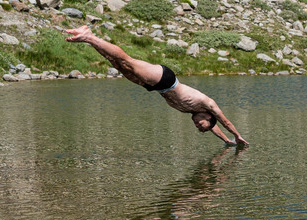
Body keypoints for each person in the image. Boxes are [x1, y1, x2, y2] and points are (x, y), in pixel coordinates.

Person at [65, 25, 249, 147]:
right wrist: (237, 136)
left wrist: (227, 141)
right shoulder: (208, 104)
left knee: (117, 64)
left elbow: (213, 126)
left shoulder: (194, 111)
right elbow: (224, 122)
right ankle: (89, 37)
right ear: (208, 116)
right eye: (201, 125)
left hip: (155, 87)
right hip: (165, 79)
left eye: (199, 128)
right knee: (127, 61)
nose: (197, 126)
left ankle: (87, 36)